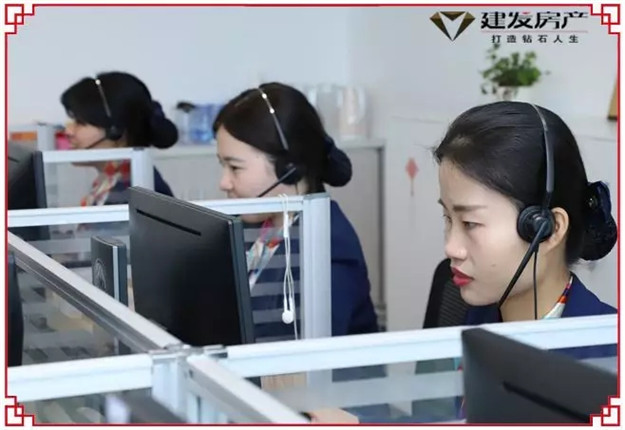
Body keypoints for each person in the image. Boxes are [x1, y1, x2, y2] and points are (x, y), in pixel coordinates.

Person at [307, 101, 618, 423]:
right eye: (447, 218)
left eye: (470, 223)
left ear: (547, 229)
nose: (450, 248)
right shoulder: (472, 312)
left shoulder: (609, 357)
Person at [212, 82, 379, 342]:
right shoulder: (260, 227)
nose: (224, 183)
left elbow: (302, 355)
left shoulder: (326, 248)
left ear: (288, 168)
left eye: (235, 168)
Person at [61, 71, 177, 206]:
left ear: (115, 131)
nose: (68, 131)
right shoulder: (113, 179)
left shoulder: (130, 190)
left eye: (80, 122)